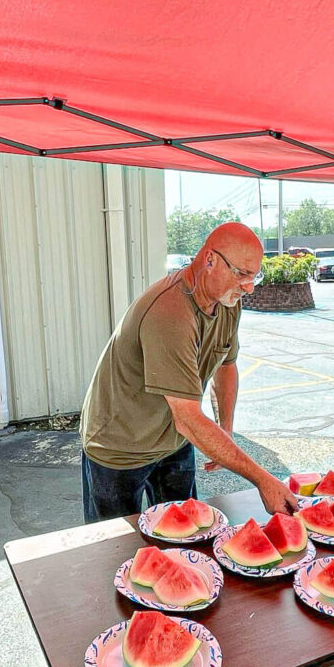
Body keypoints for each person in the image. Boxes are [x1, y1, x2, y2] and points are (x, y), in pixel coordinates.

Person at [79, 222, 298, 521]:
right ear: (210, 260)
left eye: (254, 276)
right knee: (117, 544)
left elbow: (226, 365)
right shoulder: (169, 312)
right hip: (119, 447)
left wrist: (225, 430)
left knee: (188, 534)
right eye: (241, 274)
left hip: (174, 441)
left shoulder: (227, 301)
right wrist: (263, 480)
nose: (249, 287)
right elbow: (188, 419)